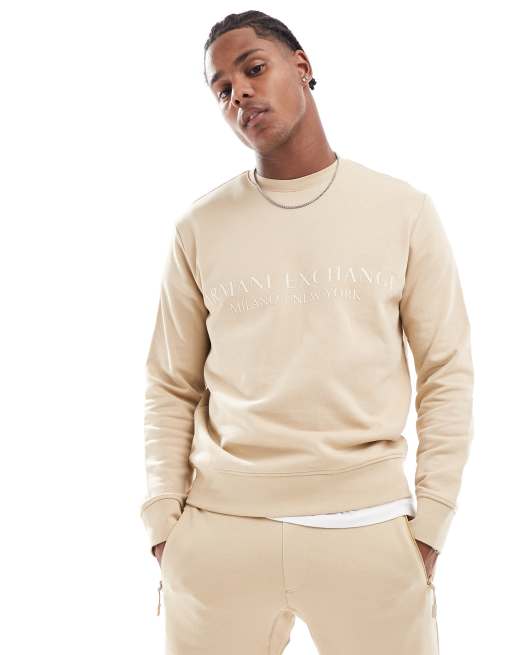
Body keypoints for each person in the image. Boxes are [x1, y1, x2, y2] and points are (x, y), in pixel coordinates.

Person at [139, 10, 474, 654]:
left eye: (253, 68)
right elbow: (170, 383)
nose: (239, 93)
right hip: (220, 538)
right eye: (221, 89)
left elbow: (447, 370)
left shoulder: (402, 211)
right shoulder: (199, 227)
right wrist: (164, 522)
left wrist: (432, 519)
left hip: (369, 532)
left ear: (302, 66)